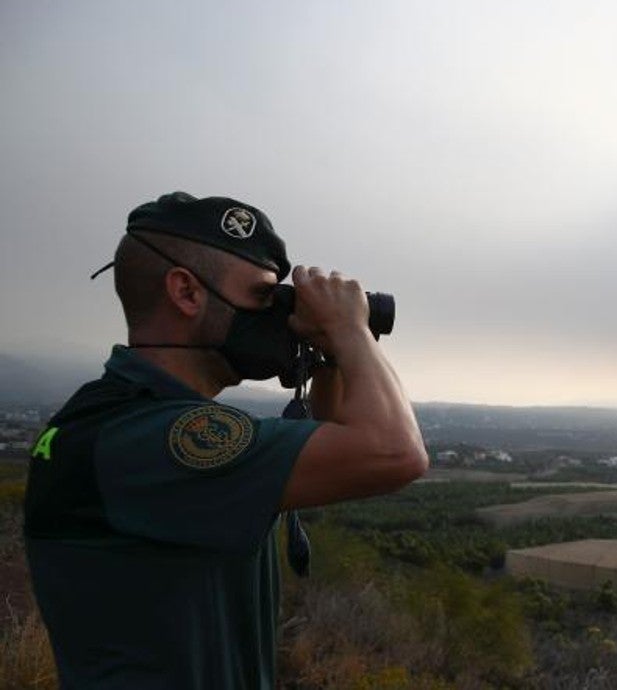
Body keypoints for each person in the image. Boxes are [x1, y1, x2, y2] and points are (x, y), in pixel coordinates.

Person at [22, 192, 428, 689]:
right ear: (187, 293)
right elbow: (393, 453)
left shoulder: (119, 420)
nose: (274, 315)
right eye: (261, 298)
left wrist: (328, 356)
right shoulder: (150, 438)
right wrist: (348, 327)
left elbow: (335, 445)